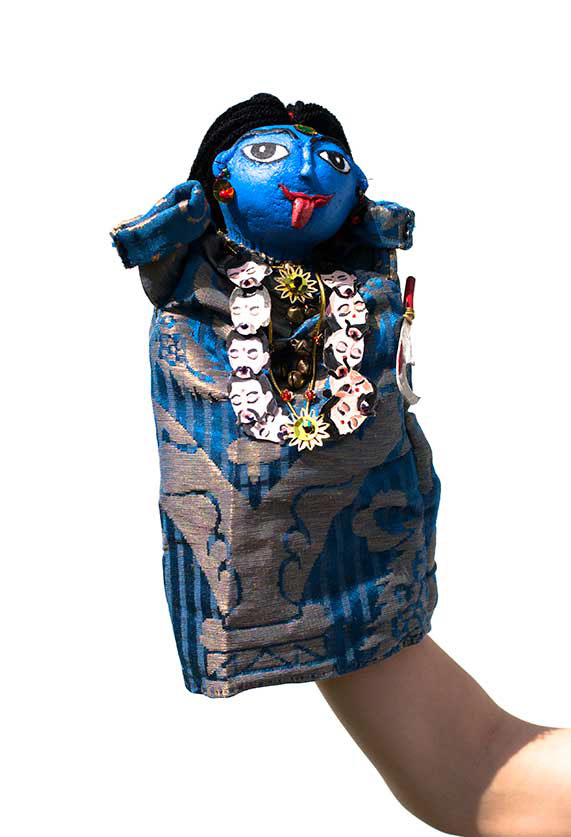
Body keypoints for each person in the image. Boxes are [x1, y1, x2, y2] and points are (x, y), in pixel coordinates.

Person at [110, 93, 571, 836]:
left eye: (328, 160)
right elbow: (479, 774)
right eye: (268, 154)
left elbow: (479, 776)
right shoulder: (196, 285)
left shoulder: (364, 281)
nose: (303, 173)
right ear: (217, 185)